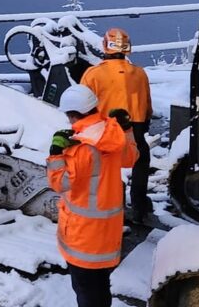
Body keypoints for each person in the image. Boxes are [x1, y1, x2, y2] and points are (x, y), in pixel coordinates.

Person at [46, 84, 138, 307]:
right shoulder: (112, 132)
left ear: (72, 114)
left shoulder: (80, 148)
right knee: (100, 286)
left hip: (84, 237)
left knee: (87, 291)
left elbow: (60, 183)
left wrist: (55, 155)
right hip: (108, 231)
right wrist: (126, 130)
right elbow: (130, 158)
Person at [79, 27, 154, 219]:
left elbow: (81, 104)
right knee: (141, 159)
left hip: (103, 127)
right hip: (134, 126)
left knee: (106, 165)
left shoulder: (92, 74)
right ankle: (139, 204)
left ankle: (113, 202)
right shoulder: (139, 74)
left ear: (105, 46)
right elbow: (147, 105)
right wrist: (143, 125)